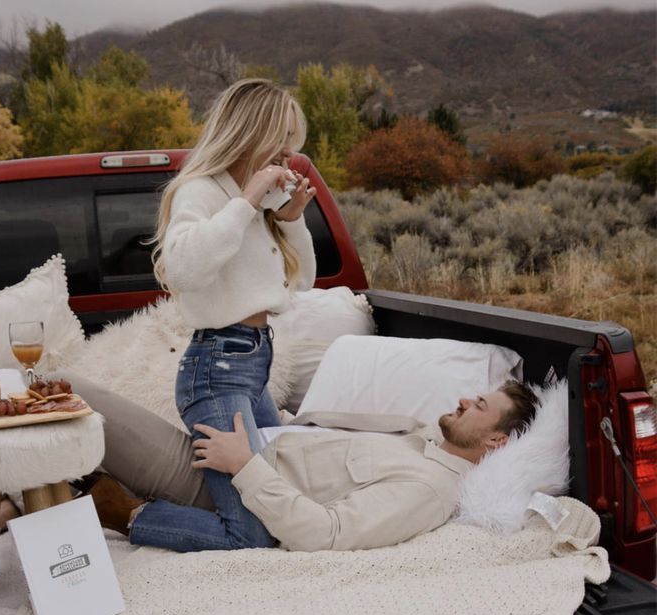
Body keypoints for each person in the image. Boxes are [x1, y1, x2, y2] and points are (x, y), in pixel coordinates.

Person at [149, 78, 317, 550]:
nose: (289, 153)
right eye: (281, 138)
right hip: (217, 369)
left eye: (292, 142)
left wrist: (291, 217)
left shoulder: (257, 199)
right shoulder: (200, 192)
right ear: (250, 132)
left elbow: (302, 282)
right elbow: (183, 269)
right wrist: (245, 204)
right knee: (253, 533)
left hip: (252, 365)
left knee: (279, 499)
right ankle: (129, 512)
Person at [84, 379, 539, 552]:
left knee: (78, 399)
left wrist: (243, 465)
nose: (463, 398)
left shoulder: (429, 490)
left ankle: (122, 509)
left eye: (478, 404)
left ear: (496, 441)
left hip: (221, 479)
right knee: (240, 349)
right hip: (266, 434)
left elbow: (328, 533)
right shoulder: (421, 433)